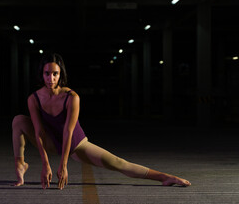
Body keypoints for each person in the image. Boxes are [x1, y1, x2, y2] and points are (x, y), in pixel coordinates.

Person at [12, 53, 191, 190]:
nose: (51, 78)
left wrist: (63, 165)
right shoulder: (34, 99)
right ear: (41, 74)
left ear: (61, 74)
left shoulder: (71, 97)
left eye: (55, 74)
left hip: (75, 143)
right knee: (18, 120)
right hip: (51, 141)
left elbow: (68, 131)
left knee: (119, 163)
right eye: (47, 74)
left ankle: (165, 177)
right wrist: (45, 164)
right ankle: (20, 164)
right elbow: (39, 132)